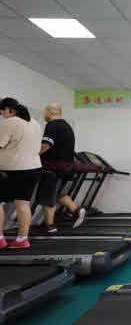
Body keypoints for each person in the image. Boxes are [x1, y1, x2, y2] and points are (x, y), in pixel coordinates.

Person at [36, 103, 85, 232]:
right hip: (66, 166)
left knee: (48, 197)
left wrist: (33, 154)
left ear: (49, 112)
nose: (44, 115)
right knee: (59, 194)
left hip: (52, 167)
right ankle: (76, 211)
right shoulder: (67, 126)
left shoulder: (52, 125)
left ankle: (50, 226)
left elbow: (46, 145)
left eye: (44, 112)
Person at [0, 98, 42, 249]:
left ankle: (0, 239)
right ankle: (22, 240)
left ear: (9, 110)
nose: (1, 114)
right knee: (23, 203)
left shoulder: (10, 122)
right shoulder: (34, 122)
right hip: (33, 168)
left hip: (12, 170)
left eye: (2, 111)